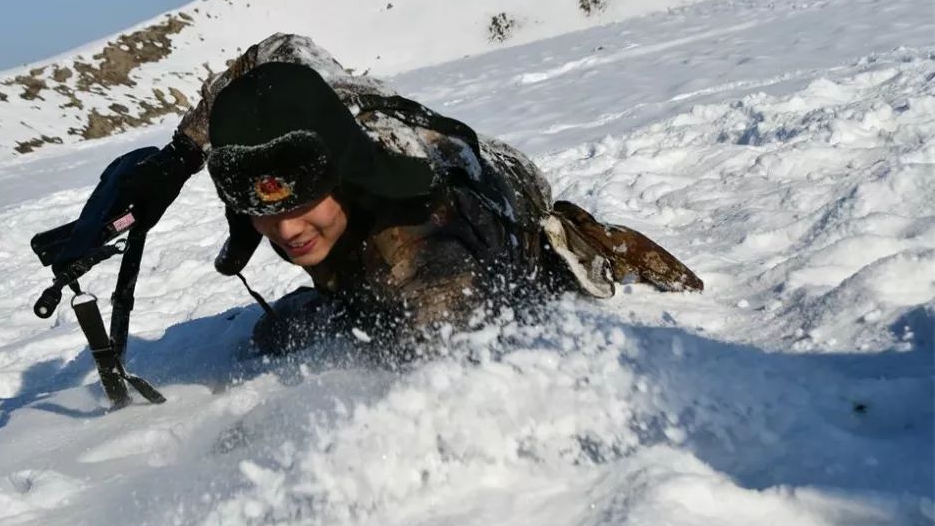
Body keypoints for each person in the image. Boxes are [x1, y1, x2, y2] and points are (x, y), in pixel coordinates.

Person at [113, 33, 702, 355]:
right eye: (265, 212)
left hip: (494, 181)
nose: (287, 229)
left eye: (301, 205)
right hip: (400, 153)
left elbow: (443, 388)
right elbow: (266, 57)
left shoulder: (427, 264)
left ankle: (556, 238)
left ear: (342, 173)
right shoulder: (302, 107)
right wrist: (180, 156)